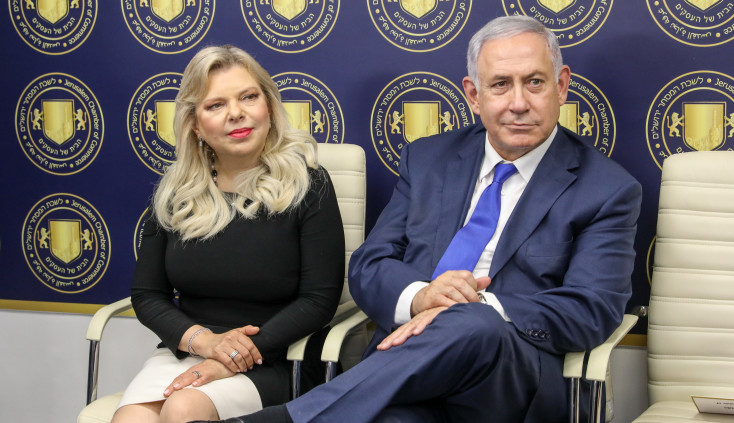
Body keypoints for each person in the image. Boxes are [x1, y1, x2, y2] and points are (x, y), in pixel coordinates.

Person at [201, 15, 642, 423]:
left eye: (535, 82)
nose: (519, 103)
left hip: (509, 381)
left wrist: (479, 304)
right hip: (406, 376)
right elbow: (370, 265)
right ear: (474, 95)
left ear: (561, 86)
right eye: (500, 85)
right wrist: (421, 297)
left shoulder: (606, 189)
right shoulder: (429, 159)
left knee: (475, 319)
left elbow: (592, 309)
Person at [111, 45, 345, 423]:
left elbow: (319, 300)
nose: (236, 113)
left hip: (280, 354)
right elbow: (147, 295)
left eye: (248, 97)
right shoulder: (176, 191)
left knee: (183, 408)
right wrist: (205, 342)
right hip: (192, 348)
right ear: (195, 124)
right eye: (216, 105)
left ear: (268, 106)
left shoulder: (309, 183)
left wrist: (232, 357)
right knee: (131, 419)